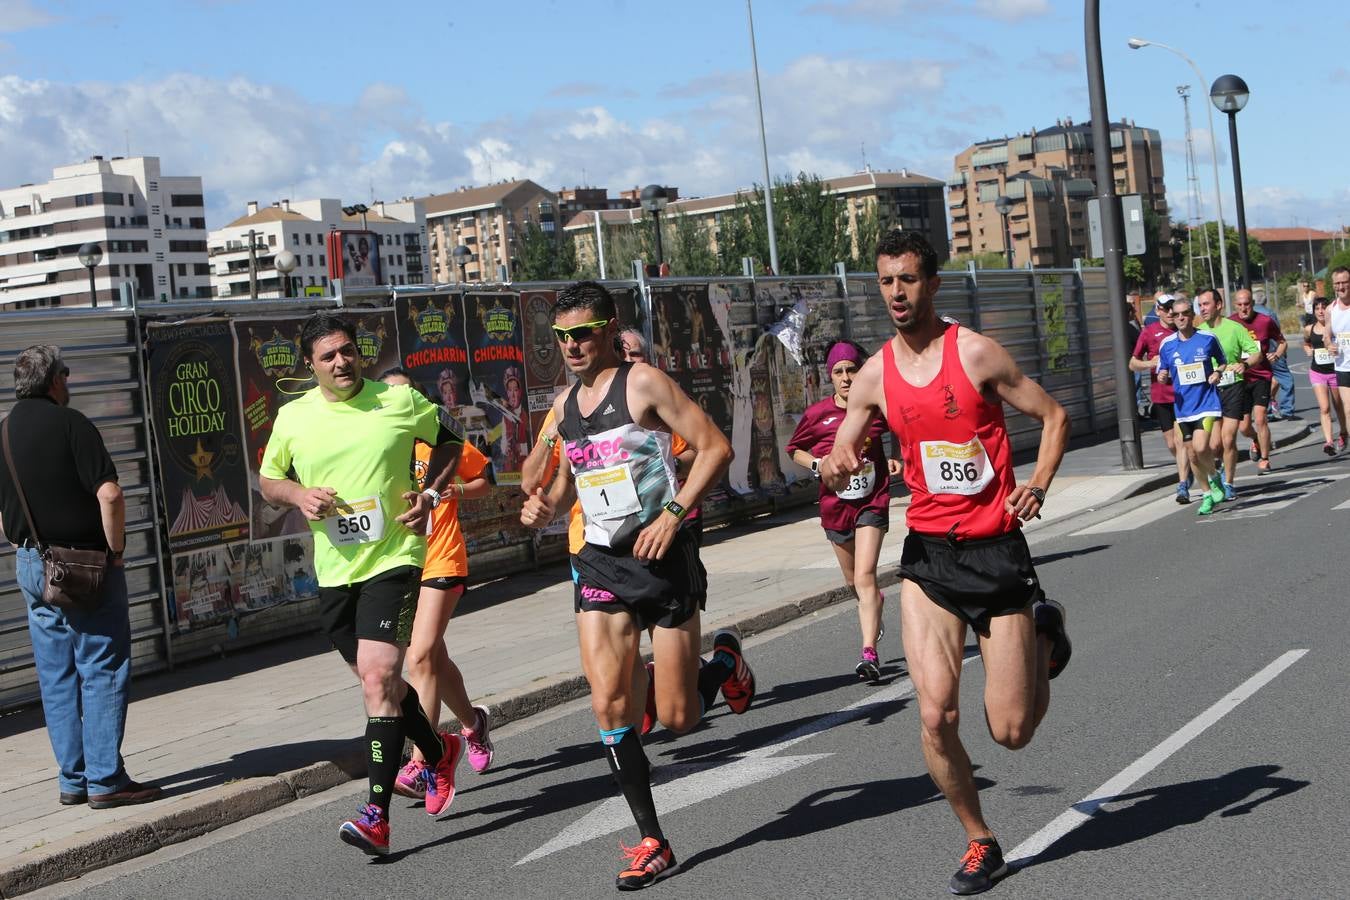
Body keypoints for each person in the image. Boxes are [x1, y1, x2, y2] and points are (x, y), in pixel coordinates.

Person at [821, 232, 1071, 895]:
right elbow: (846, 439)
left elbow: (1053, 416)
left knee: (1011, 731)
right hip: (929, 555)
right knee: (935, 716)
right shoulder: (875, 372)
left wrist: (1038, 483)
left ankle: (1043, 632)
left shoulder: (977, 354)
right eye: (885, 282)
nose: (896, 293)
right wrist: (835, 459)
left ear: (933, 284)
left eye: (907, 280)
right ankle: (979, 840)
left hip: (995, 551)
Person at [519, 281, 754, 890]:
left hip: (663, 559)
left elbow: (714, 448)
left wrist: (673, 515)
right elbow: (576, 479)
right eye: (562, 337)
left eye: (583, 334)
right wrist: (547, 507)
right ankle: (653, 838)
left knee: (677, 718)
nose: (572, 346)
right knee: (609, 703)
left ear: (608, 327)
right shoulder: (565, 404)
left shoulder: (643, 383)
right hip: (600, 563)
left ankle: (723, 661)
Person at [259, 312, 468, 855]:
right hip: (335, 571)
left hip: (395, 557)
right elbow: (268, 480)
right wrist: (297, 496)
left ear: (360, 353)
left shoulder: (396, 402)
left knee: (378, 679)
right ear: (311, 365)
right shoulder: (293, 417)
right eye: (328, 356)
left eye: (348, 351)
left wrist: (429, 494)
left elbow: (450, 444)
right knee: (386, 688)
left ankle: (377, 814)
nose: (341, 362)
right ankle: (439, 749)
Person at [0, 346, 162, 809]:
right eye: (66, 374)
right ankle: (106, 780)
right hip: (86, 568)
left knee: (56, 675)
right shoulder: (73, 425)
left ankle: (72, 779)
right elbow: (110, 495)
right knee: (103, 666)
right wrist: (115, 553)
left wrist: (23, 545)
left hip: (33, 567)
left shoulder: (4, 432)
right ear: (54, 381)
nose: (69, 382)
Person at [376, 369, 497, 799]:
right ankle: (473, 724)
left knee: (421, 655)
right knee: (434, 661)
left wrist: (450, 494)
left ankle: (423, 761)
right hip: (398, 564)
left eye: (404, 396)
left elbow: (486, 481)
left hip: (442, 556)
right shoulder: (377, 448)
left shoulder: (440, 441)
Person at [786, 340, 901, 682]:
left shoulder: (875, 408)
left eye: (852, 369)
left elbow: (900, 427)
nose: (846, 377)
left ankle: (869, 652)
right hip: (834, 508)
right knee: (854, 582)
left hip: (872, 502)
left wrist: (895, 457)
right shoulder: (817, 415)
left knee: (865, 576)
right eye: (838, 372)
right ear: (830, 377)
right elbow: (794, 449)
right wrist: (819, 464)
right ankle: (872, 603)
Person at [1155, 297, 1229, 516]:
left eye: (1185, 313)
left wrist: (1217, 372)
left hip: (1206, 403)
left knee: (1199, 447)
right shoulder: (1167, 345)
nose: (1180, 318)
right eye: (1176, 314)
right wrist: (1162, 376)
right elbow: (1163, 371)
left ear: (1192, 315)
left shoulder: (1207, 338)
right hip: (1183, 407)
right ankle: (1207, 494)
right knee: (1192, 455)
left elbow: (1222, 361)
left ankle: (1215, 477)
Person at [1196, 288, 1260, 500]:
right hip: (1210, 390)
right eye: (1200, 305)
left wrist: (1244, 364)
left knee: (1228, 437)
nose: (1202, 308)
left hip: (1233, 386)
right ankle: (1219, 471)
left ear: (1219, 305)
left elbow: (1255, 352)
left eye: (1206, 304)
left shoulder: (1235, 328)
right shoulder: (1199, 331)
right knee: (1214, 445)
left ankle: (1229, 482)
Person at [1129, 294, 1192, 502]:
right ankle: (1189, 467)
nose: (1171, 313)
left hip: (1185, 395)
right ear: (1157, 311)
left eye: (1172, 309)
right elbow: (1133, 363)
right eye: (1165, 309)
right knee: (1172, 444)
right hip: (1161, 395)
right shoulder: (1149, 332)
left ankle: (1183, 482)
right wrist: (1151, 364)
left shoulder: (1184, 331)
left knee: (1181, 440)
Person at [1230, 289, 1285, 475]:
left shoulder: (1265, 321)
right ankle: (1255, 439)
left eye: (1247, 304)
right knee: (1244, 427)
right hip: (1240, 378)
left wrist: (1276, 354)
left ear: (1252, 304)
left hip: (1261, 375)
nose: (1243, 308)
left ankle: (1265, 459)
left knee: (1260, 418)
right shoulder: (1230, 323)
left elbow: (1281, 341)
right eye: (1240, 305)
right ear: (1235, 305)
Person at [1301, 297, 1348, 455]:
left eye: (1323, 308)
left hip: (1335, 372)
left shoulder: (1335, 326)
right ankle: (1328, 441)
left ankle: (1343, 432)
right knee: (1324, 408)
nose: (1320, 311)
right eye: (1317, 308)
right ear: (1313, 311)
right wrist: (1307, 349)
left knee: (1339, 406)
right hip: (1317, 372)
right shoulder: (1309, 328)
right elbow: (1306, 342)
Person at [1326, 267, 1350, 445]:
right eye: (1337, 283)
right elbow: (1327, 335)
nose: (1341, 287)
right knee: (1348, 409)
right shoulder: (1330, 309)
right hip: (1343, 365)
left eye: (1345, 282)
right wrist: (1329, 345)